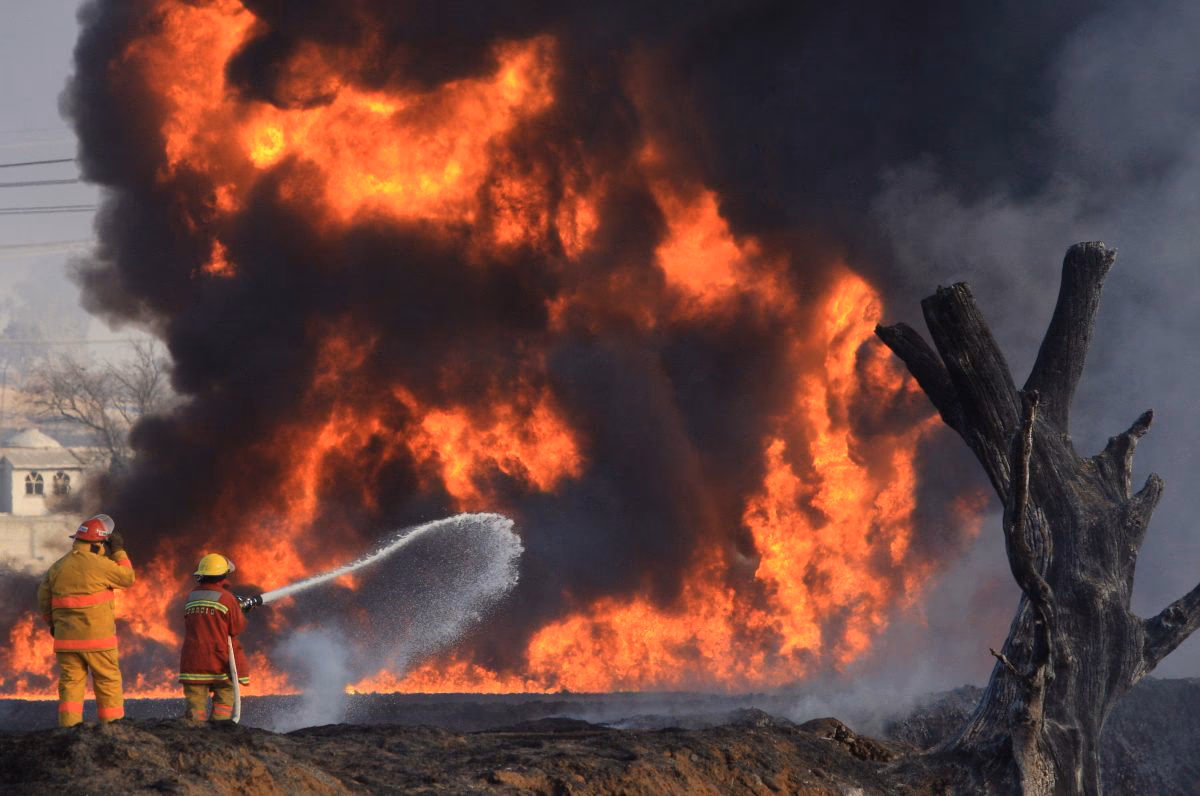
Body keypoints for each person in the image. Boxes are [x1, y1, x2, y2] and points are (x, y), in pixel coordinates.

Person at [37, 513, 135, 727]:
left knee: (71, 684)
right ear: (99, 542)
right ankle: (112, 728)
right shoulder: (100, 565)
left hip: (66, 641)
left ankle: (69, 730)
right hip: (98, 641)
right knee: (107, 682)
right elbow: (128, 578)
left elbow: (44, 599)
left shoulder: (58, 567)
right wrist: (118, 550)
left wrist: (52, 624)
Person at [179, 553, 251, 722]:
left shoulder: (191, 596)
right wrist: (238, 609)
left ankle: (195, 732)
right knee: (225, 696)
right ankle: (220, 731)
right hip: (219, 661)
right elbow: (236, 628)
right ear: (223, 575)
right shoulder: (227, 598)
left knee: (195, 707)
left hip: (193, 662)